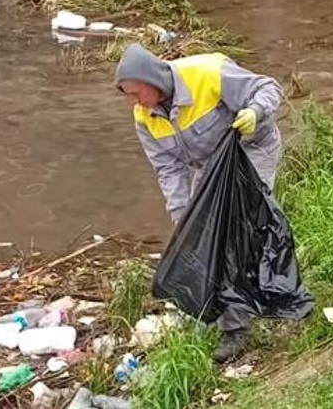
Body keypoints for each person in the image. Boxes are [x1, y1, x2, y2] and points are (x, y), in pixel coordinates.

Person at [114, 43, 285, 363]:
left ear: (154, 81)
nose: (133, 102)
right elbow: (168, 169)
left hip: (252, 149)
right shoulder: (145, 117)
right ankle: (222, 303)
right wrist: (184, 218)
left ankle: (237, 329)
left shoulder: (207, 73)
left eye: (135, 93)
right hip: (209, 165)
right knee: (205, 238)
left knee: (233, 233)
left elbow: (269, 87)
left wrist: (255, 111)